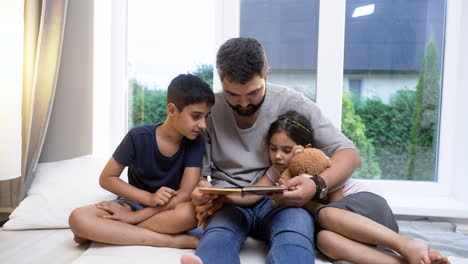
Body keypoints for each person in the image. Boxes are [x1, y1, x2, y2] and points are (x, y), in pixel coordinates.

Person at [191, 37, 361, 264]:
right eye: (232, 94)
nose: (243, 103)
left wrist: (316, 185)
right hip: (229, 202)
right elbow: (200, 177)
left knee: (294, 242)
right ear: (221, 80)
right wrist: (202, 191)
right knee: (214, 244)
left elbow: (349, 154)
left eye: (253, 93)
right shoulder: (209, 110)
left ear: (267, 74)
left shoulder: (292, 102)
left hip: (282, 202)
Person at [265, 111, 451, 264]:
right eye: (273, 149)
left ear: (305, 149)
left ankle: (407, 244)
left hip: (368, 210)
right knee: (325, 241)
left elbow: (335, 207)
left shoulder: (319, 164)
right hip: (351, 231)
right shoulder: (281, 175)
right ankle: (404, 262)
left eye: (286, 150)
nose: (278, 156)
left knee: (326, 215)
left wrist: (303, 202)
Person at [68, 74, 214, 249]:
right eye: (196, 116)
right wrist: (149, 198)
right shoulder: (137, 137)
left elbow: (184, 194)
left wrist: (135, 218)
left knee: (191, 214)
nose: (203, 124)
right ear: (172, 110)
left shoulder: (196, 143)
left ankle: (109, 233)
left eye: (206, 116)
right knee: (77, 218)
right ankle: (169, 241)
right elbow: (106, 178)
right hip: (130, 205)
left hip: (168, 210)